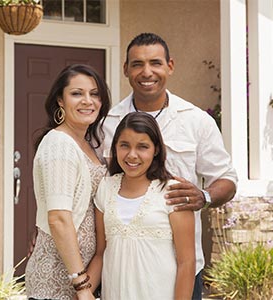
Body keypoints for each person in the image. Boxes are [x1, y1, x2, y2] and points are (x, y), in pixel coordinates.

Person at [99, 32, 238, 299]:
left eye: (155, 63)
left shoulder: (196, 121)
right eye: (137, 64)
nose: (146, 72)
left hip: (184, 266)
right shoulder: (108, 122)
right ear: (126, 69)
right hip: (123, 269)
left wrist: (204, 196)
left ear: (170, 66)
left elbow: (227, 179)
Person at [24, 64, 111, 300]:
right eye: (76, 93)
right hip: (57, 279)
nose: (87, 101)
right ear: (60, 101)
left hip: (81, 276)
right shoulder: (59, 144)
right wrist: (82, 286)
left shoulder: (89, 144)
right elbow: (59, 218)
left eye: (94, 94)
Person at [90, 112, 195, 299]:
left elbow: (186, 263)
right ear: (115, 147)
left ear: (155, 150)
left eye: (142, 147)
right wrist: (83, 291)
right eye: (124, 145)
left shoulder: (173, 192)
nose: (132, 155)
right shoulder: (105, 188)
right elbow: (100, 253)